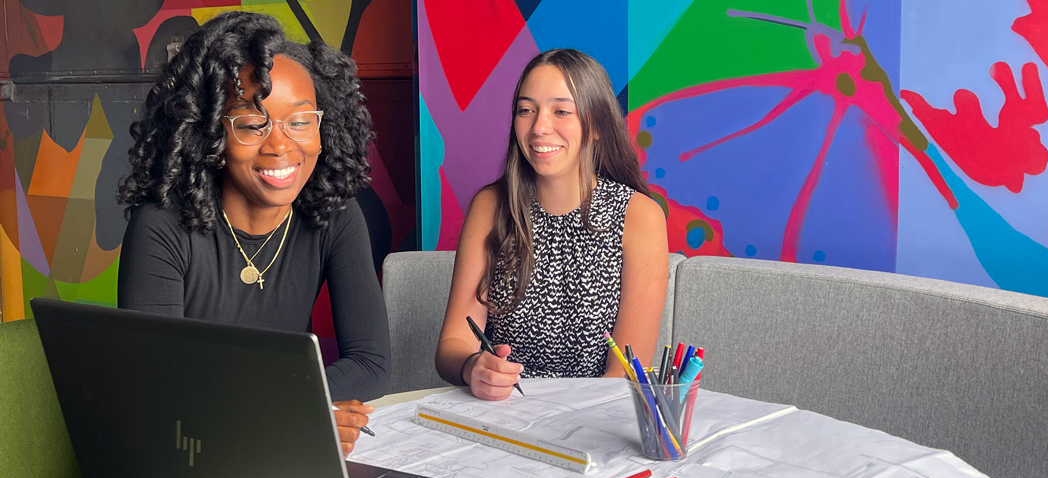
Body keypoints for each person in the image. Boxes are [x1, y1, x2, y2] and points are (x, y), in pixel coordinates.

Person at [116, 12, 387, 455]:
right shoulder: (161, 225)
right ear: (208, 133)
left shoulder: (335, 215)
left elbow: (371, 363)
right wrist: (294, 410)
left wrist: (282, 412)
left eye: (300, 121)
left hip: (269, 446)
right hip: (187, 450)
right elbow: (159, 386)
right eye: (251, 124)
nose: (280, 146)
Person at [434, 49, 669, 401]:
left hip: (594, 419)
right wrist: (473, 367)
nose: (539, 127)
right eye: (526, 110)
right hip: (504, 414)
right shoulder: (491, 206)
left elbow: (624, 372)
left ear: (597, 126)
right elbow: (453, 343)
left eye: (561, 111)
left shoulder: (639, 216)